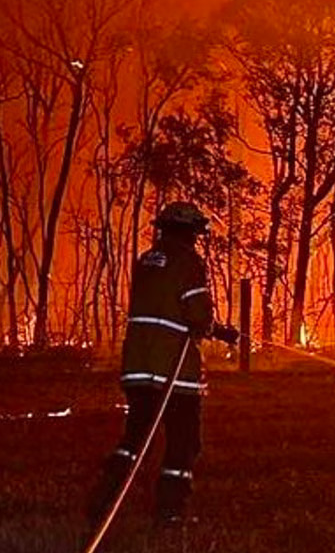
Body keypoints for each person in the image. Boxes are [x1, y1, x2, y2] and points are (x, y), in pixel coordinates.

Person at [87, 200, 240, 527]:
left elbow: (163, 307)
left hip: (138, 365)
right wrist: (220, 331)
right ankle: (170, 511)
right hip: (173, 370)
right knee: (183, 442)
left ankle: (104, 496)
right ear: (189, 231)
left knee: (135, 438)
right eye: (196, 233)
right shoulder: (188, 262)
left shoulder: (147, 260)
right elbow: (197, 317)